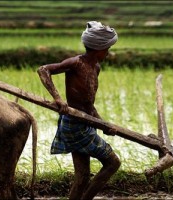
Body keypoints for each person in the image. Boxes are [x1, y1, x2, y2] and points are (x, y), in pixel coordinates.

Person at [37, 21, 121, 200]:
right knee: (113, 163)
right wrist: (58, 98)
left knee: (82, 178)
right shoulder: (76, 63)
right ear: (99, 48)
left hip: (86, 123)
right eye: (107, 49)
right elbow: (43, 70)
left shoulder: (95, 67)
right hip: (75, 125)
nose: (108, 52)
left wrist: (103, 124)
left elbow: (88, 104)